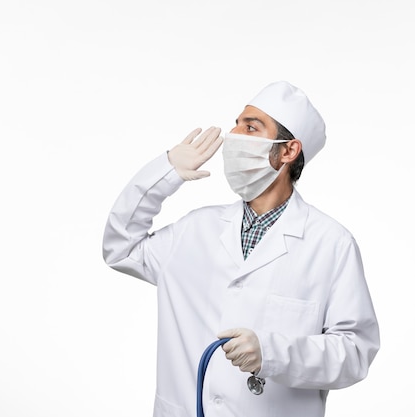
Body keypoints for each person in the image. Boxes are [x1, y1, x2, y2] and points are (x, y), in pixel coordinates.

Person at [102, 81, 380, 417]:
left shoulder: (332, 244)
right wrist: (165, 173)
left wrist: (272, 353)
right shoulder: (195, 229)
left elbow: (355, 352)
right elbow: (120, 246)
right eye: (237, 124)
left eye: (250, 127)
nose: (233, 136)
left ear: (288, 151)